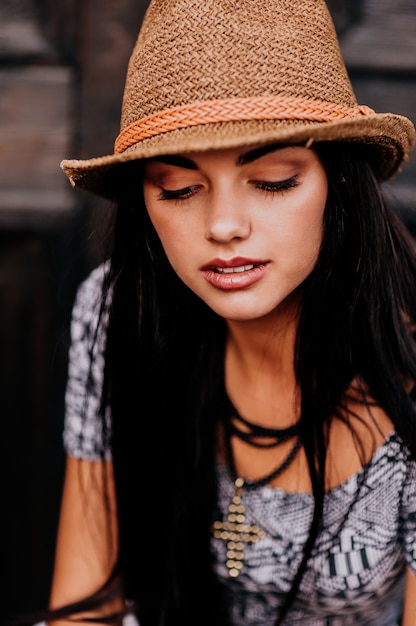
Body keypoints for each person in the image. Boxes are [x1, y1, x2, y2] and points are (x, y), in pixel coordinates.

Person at [31, 0, 416, 624]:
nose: (223, 226)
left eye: (273, 181)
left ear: (338, 185)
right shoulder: (115, 310)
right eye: (178, 189)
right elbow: (85, 601)